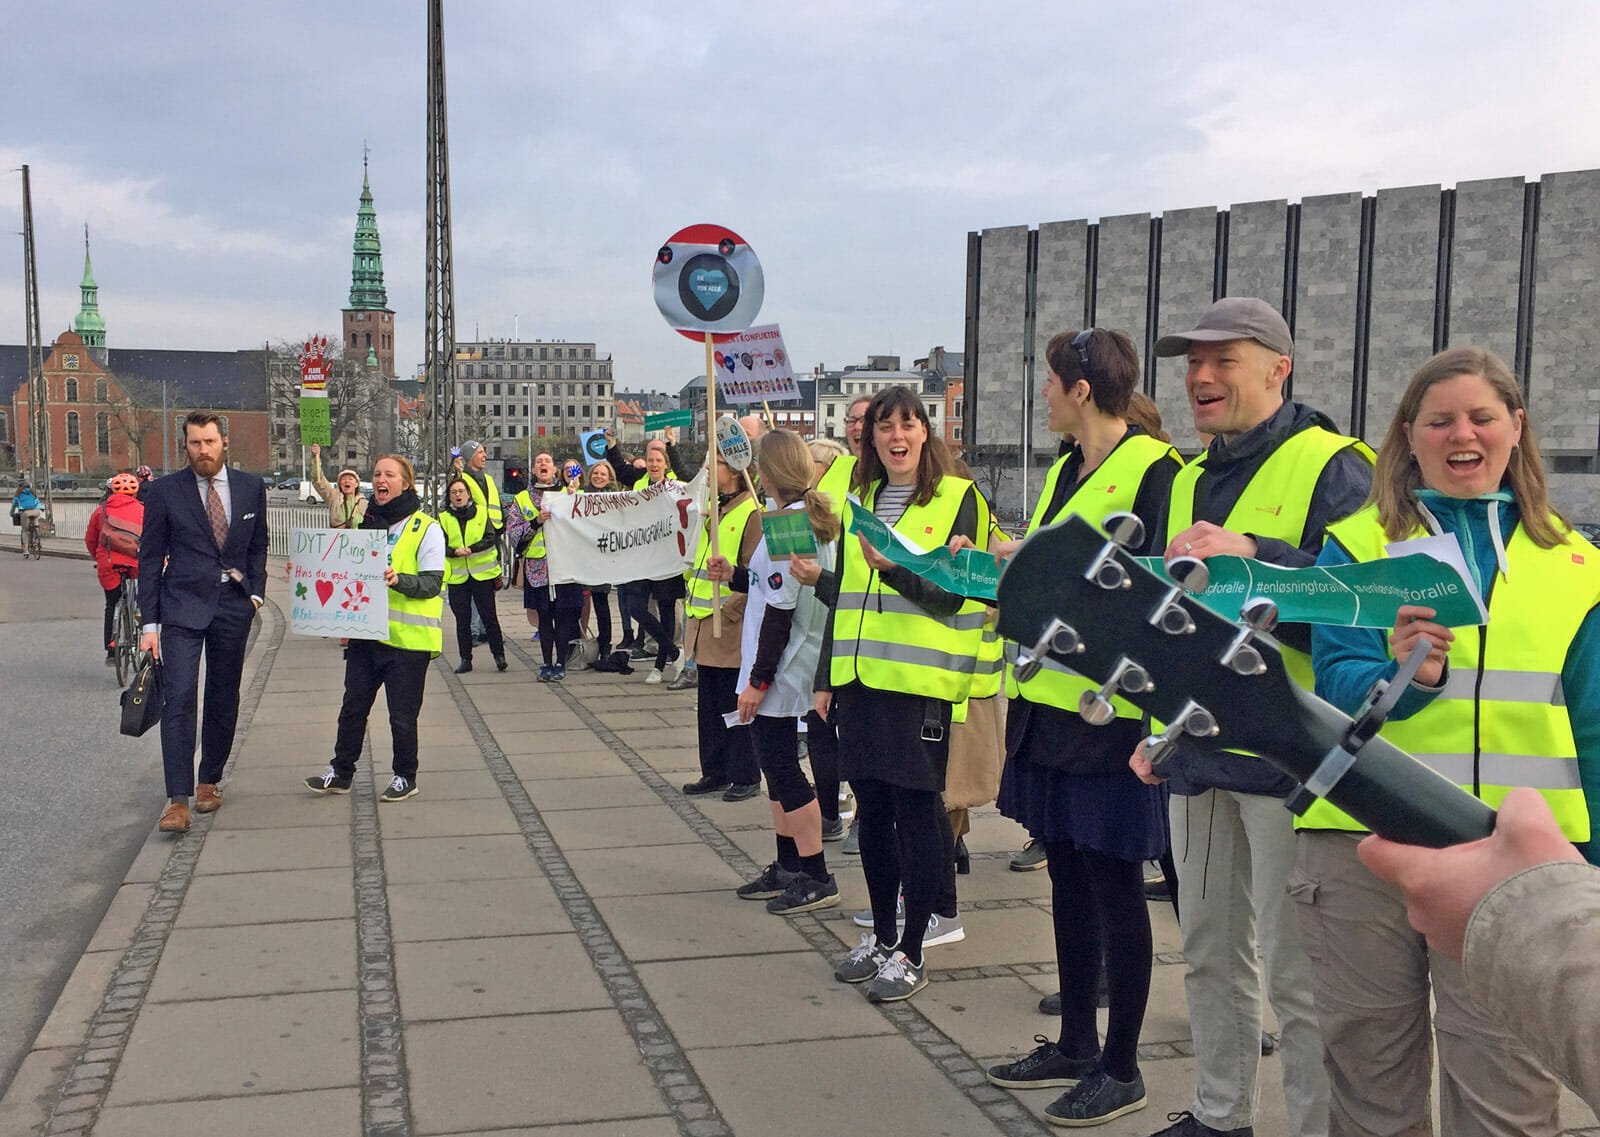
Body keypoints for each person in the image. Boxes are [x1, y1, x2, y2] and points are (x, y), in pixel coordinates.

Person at [1299, 345, 1600, 1137]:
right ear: (1410, 433)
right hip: (1361, 842)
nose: (1461, 434)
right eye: (1440, 420)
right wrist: (1403, 678)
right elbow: (1333, 685)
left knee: (1507, 1092)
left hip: (1518, 862)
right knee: (1368, 1082)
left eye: (1481, 417)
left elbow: (1597, 731)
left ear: (1516, 428)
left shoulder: (1578, 565)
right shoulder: (1358, 544)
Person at [1129, 297, 1373, 1137]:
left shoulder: (1335, 464)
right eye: (1192, 362)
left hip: (1288, 758)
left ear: (1279, 367)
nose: (1200, 377)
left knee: (1297, 980)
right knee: (1205, 951)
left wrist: (1256, 557)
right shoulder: (1191, 475)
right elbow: (1175, 620)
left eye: (1224, 359)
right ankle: (1221, 1114)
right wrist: (1154, 726)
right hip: (1198, 750)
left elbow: (1362, 605)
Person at [978, 328, 1182, 1127]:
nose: (1044, 396)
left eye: (1051, 382)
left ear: (1082, 390)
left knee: (1115, 883)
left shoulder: (1155, 470)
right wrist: (1001, 553)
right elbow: (1057, 558)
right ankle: (1072, 1041)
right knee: (1065, 874)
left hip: (1110, 714)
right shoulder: (1071, 468)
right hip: (1050, 701)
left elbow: (1161, 590)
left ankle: (1121, 1064)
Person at [813, 385, 987, 1004]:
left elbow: (957, 595)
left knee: (917, 817)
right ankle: (882, 936)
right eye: (885, 426)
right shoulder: (858, 499)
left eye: (909, 425)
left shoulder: (958, 499)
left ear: (926, 433)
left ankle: (915, 946)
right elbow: (848, 595)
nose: (896, 436)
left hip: (918, 686)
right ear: (870, 437)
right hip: (860, 682)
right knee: (872, 818)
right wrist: (826, 676)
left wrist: (896, 569)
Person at [1356, 788, 1600, 1113]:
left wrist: (1532, 914)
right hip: (1349, 816)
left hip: (1514, 846)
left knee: (1504, 1098)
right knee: (1372, 1075)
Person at [713, 430, 843, 911]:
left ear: (768, 474)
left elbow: (781, 611)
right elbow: (778, 586)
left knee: (785, 769)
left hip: (784, 666)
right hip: (790, 661)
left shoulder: (790, 525)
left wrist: (757, 681)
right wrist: (737, 576)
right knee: (777, 766)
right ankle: (789, 863)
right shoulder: (805, 518)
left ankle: (815, 872)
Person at [137, 412, 269, 833]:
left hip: (233, 607)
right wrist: (149, 624)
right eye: (195, 443)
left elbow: (259, 543)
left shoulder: (251, 488)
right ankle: (177, 799)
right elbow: (150, 558)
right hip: (180, 608)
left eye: (210, 442)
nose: (203, 451)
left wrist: (255, 592)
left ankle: (209, 779)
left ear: (224, 442)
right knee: (178, 698)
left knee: (223, 697)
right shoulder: (164, 492)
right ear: (186, 445)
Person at [305, 454, 443, 803]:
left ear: (406, 483)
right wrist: (309, 571)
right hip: (367, 637)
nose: (381, 480)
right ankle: (341, 772)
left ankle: (404, 776)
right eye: (377, 474)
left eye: (390, 475)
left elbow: (432, 584)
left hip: (408, 642)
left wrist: (399, 581)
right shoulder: (367, 526)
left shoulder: (426, 527)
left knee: (402, 716)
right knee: (352, 708)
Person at [680, 449, 763, 801]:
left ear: (733, 469)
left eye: (713, 464)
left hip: (730, 625)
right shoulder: (714, 507)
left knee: (735, 703)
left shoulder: (751, 513)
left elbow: (755, 572)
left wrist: (731, 611)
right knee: (709, 705)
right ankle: (714, 769)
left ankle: (745, 773)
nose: (707, 469)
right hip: (703, 622)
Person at [515, 453, 583, 681]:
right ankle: (546, 662)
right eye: (538, 462)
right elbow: (514, 534)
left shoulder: (569, 494)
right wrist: (536, 522)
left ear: (555, 470)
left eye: (547, 462)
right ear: (534, 470)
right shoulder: (522, 499)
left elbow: (584, 526)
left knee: (563, 617)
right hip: (537, 570)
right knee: (544, 618)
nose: (543, 464)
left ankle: (561, 662)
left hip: (563, 567)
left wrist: (574, 500)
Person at [438, 473, 507, 674]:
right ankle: (465, 659)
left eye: (461, 491)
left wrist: (471, 549)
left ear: (468, 494)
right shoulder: (443, 518)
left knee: (489, 617)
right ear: (449, 497)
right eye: (453, 492)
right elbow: (439, 545)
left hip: (482, 575)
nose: (458, 495)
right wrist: (453, 552)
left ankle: (499, 655)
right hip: (458, 576)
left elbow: (489, 538)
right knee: (463, 620)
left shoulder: (482, 513)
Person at [85, 472, 146, 665]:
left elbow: (91, 539)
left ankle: (111, 649)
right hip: (136, 561)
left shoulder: (101, 511)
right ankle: (140, 609)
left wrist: (99, 557)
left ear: (111, 491)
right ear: (135, 494)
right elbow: (154, 538)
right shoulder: (144, 510)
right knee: (144, 585)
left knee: (111, 604)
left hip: (109, 563)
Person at [578, 460, 629, 672]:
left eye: (603, 474)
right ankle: (578, 645)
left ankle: (605, 646)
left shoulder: (615, 499)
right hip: (583, 556)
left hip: (603, 557)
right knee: (577, 603)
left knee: (601, 603)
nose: (599, 477)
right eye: (596, 473)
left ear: (609, 478)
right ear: (590, 475)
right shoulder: (580, 496)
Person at [310, 442, 368, 529]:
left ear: (356, 484)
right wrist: (316, 458)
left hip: (358, 540)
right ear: (339, 484)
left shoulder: (364, 503)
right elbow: (319, 481)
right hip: (336, 539)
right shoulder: (333, 497)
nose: (346, 481)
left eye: (350, 479)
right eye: (343, 479)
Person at [10, 480, 44, 554]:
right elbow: (38, 503)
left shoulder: (18, 495)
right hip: (36, 512)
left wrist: (11, 513)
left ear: (19, 487)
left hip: (25, 513)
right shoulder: (33, 493)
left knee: (25, 531)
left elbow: (13, 506)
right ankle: (38, 539)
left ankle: (25, 550)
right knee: (35, 524)